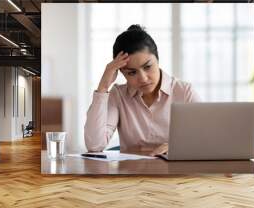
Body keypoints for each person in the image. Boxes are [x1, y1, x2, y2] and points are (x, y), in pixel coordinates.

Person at [84, 24, 200, 156]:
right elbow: (94, 145)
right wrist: (103, 87)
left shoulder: (184, 92)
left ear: (157, 59)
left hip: (176, 174)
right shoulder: (118, 95)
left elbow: (205, 139)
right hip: (133, 175)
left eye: (147, 67)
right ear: (121, 72)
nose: (143, 78)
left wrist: (176, 147)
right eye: (132, 73)